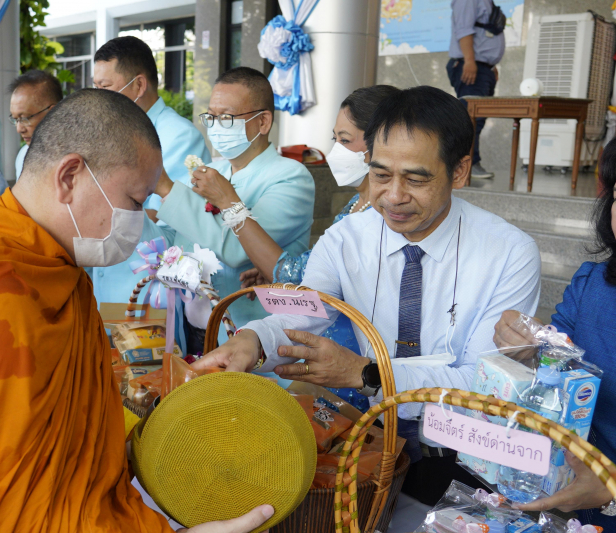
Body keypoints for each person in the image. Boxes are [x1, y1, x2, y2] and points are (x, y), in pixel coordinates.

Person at [0, 87, 274, 533]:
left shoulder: (56, 267)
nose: (141, 217)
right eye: (134, 200)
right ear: (70, 176)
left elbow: (65, 428)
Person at [194, 86, 542, 506]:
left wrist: (368, 375)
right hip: (368, 437)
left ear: (461, 170)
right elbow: (307, 311)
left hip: (460, 454)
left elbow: (481, 384)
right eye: (380, 175)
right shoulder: (347, 237)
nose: (393, 197)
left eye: (416, 179)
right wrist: (253, 340)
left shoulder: (509, 253)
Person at [230, 84, 401, 411]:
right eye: (335, 139)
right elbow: (319, 277)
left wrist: (229, 204)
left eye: (345, 140)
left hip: (358, 365)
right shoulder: (356, 203)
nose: (335, 149)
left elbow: (296, 272)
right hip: (325, 349)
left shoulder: (385, 215)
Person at [492, 137, 616, 530]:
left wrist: (611, 488)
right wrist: (526, 347)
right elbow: (556, 354)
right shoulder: (593, 285)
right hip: (575, 501)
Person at [149, 66, 315, 353]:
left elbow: (238, 252)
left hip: (250, 336)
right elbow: (179, 238)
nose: (214, 126)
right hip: (193, 329)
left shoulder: (290, 177)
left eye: (226, 117)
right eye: (211, 116)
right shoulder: (213, 169)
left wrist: (165, 187)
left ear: (262, 122)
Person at [91, 36, 211, 310]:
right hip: (103, 284)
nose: (98, 96)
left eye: (105, 86)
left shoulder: (178, 135)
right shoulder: (110, 131)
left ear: (139, 85)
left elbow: (170, 224)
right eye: (95, 86)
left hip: (148, 289)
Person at [447, 0, 505, 179]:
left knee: (477, 118)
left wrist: (490, 65)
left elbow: (485, 33)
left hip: (482, 68)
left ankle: (469, 164)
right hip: (471, 65)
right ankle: (467, 166)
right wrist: (471, 61)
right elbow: (464, 30)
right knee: (471, 119)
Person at [8, 69, 62, 180]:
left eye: (25, 118)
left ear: (53, 112)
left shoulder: (79, 154)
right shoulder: (23, 155)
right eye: (15, 119)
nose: (19, 129)